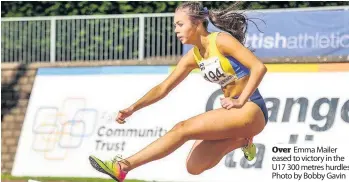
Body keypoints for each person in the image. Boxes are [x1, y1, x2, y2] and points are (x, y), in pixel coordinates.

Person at [89, 2, 268, 182]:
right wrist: (133, 108)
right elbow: (163, 88)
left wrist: (240, 101)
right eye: (175, 25)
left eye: (180, 24)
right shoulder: (194, 56)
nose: (175, 30)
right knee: (194, 166)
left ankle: (123, 167)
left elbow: (259, 67)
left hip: (252, 107)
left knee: (182, 129)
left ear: (197, 24)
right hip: (233, 112)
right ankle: (244, 141)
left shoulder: (220, 40)